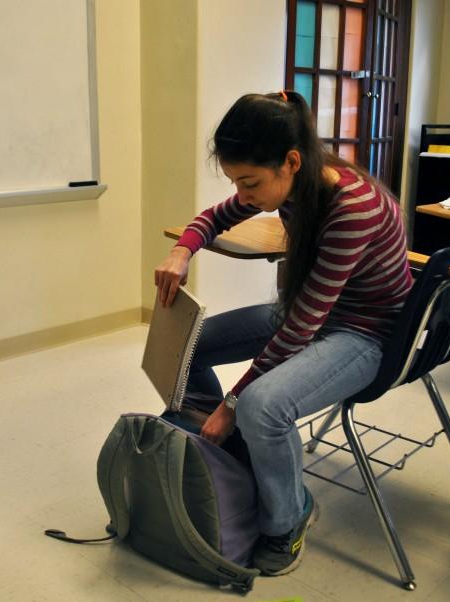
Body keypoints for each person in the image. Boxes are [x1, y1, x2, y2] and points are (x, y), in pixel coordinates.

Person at [154, 91, 413, 576]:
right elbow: (215, 217)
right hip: (315, 314)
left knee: (261, 406)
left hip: (366, 333)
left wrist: (233, 403)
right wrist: (182, 252)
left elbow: (304, 326)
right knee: (190, 344)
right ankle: (238, 464)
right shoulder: (296, 181)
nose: (244, 195)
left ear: (291, 162)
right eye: (236, 182)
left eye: (249, 183)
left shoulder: (352, 207)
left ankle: (288, 519)